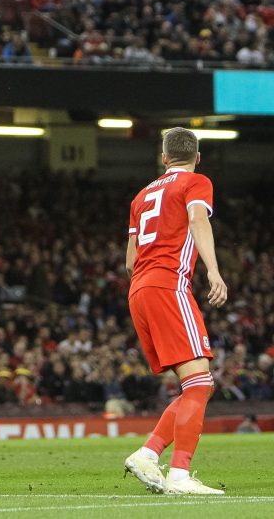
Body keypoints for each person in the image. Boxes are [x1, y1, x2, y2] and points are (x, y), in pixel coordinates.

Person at [123, 127, 228, 495]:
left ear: (164, 158)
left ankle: (148, 453)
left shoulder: (140, 196)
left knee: (197, 384)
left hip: (139, 290)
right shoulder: (196, 182)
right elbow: (199, 220)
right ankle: (180, 475)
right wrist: (213, 270)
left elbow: (130, 260)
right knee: (199, 383)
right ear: (197, 158)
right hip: (168, 286)